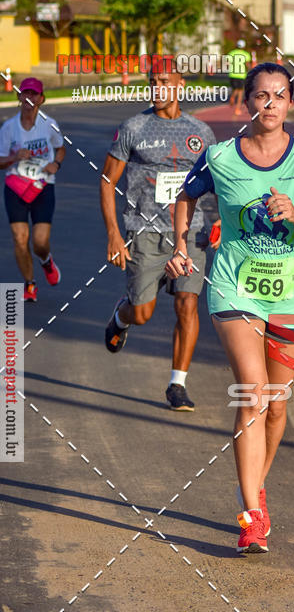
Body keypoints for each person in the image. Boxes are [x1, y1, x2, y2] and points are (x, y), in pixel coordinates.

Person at [166, 62, 294, 553]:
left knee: (278, 407)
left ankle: (253, 490)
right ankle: (252, 516)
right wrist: (182, 244)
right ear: (247, 103)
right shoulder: (220, 157)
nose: (270, 103)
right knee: (253, 392)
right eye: (261, 95)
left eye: (279, 95)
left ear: (290, 104)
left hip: (291, 295)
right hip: (234, 289)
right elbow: (187, 196)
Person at [101, 61, 216, 410]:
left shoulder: (201, 132)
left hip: (189, 233)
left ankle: (177, 385)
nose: (157, 87)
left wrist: (221, 218)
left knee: (188, 304)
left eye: (164, 81)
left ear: (180, 84)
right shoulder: (133, 127)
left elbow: (219, 180)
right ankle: (122, 316)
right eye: (152, 81)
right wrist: (113, 235)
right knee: (143, 313)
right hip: (143, 234)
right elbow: (107, 181)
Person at [0, 77, 64, 302]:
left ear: (41, 99)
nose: (29, 97)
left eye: (34, 94)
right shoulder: (9, 128)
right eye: (25, 93)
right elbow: (0, 161)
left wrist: (55, 164)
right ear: (19, 96)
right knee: (19, 238)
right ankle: (29, 283)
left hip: (42, 185)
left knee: (39, 242)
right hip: (16, 186)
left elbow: (60, 148)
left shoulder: (49, 124)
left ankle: (46, 261)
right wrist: (13, 157)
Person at [228, 40, 252, 116]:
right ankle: (237, 109)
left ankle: (232, 96)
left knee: (235, 89)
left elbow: (228, 63)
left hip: (232, 74)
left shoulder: (231, 53)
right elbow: (247, 64)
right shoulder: (246, 54)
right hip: (241, 75)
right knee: (241, 91)